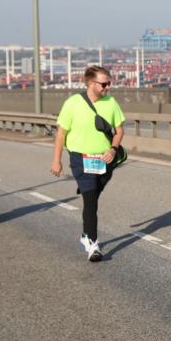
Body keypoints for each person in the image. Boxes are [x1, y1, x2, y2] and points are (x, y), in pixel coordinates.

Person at [50, 65, 125, 262]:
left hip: (104, 160)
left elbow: (119, 131)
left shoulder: (111, 102)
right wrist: (56, 160)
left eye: (109, 83)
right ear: (91, 83)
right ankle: (93, 245)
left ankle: (85, 234)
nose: (107, 87)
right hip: (80, 159)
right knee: (90, 201)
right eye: (104, 84)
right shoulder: (73, 103)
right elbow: (61, 134)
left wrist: (113, 149)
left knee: (93, 198)